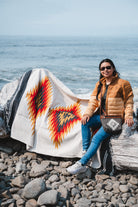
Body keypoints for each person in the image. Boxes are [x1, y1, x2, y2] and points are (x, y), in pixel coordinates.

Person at [67, 58, 134, 174]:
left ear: (113, 68)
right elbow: (93, 101)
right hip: (102, 117)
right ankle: (86, 151)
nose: (106, 70)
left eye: (108, 67)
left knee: (97, 138)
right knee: (85, 122)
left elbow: (129, 101)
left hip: (115, 119)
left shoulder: (123, 84)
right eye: (103, 68)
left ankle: (81, 163)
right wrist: (87, 114)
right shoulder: (99, 84)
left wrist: (128, 116)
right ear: (100, 71)